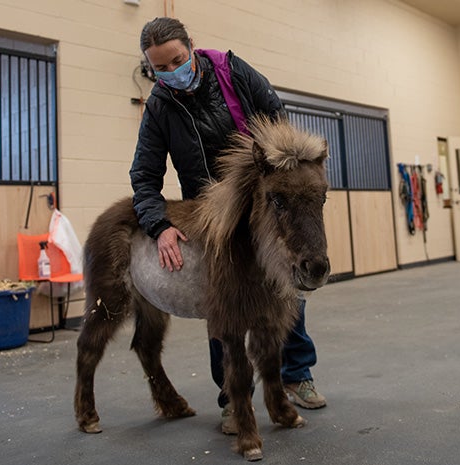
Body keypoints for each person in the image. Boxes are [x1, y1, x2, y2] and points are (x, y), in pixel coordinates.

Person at [129, 17, 326, 433]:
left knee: (286, 291)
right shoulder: (160, 106)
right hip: (211, 213)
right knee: (224, 305)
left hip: (260, 202)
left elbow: (279, 123)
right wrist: (158, 224)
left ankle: (296, 375)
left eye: (176, 61)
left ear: (191, 48)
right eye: (159, 69)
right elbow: (144, 177)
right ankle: (231, 398)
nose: (170, 73)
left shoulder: (233, 71)